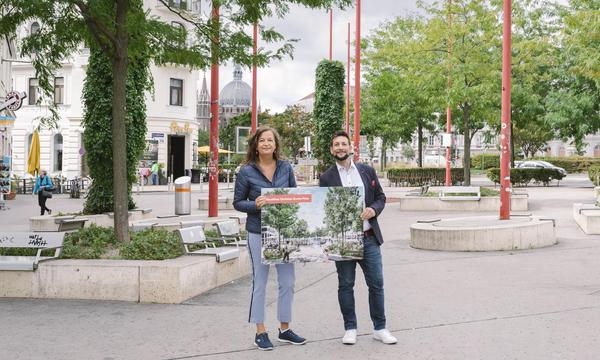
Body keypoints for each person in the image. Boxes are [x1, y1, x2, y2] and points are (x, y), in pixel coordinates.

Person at [319, 130, 397, 345]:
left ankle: (380, 328)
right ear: (331, 150)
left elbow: (381, 197)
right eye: (336, 144)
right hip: (343, 240)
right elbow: (324, 210)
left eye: (344, 144)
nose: (340, 147)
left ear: (351, 147)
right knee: (345, 285)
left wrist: (373, 209)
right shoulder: (326, 178)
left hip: (369, 236)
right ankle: (350, 328)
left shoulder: (367, 171)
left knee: (377, 284)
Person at [233, 126, 306, 351]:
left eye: (270, 140)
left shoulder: (285, 167)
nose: (266, 144)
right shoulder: (246, 172)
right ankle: (260, 331)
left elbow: (294, 196)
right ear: (256, 144)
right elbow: (238, 202)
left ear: (276, 145)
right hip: (258, 232)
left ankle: (284, 329)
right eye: (262, 140)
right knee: (260, 283)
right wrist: (255, 204)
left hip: (284, 232)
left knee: (287, 282)